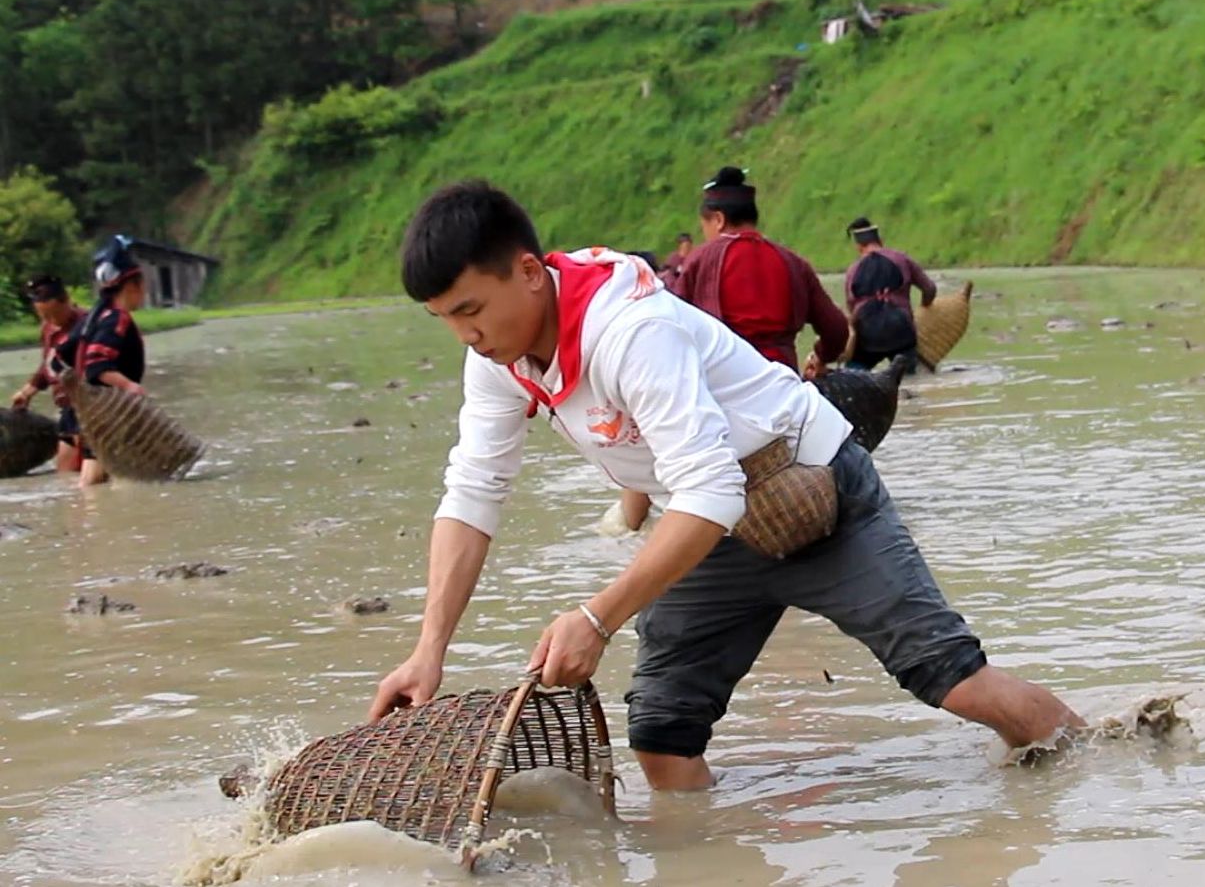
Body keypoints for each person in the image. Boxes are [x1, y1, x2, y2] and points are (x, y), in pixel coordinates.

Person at [369, 180, 1085, 792]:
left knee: (954, 681)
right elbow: (472, 491)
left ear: (528, 272)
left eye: (469, 310)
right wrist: (429, 649)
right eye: (444, 321)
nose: (464, 334)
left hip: (813, 491)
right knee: (661, 738)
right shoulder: (497, 360)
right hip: (710, 531)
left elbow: (709, 490)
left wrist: (595, 619)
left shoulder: (630, 331)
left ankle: (1103, 764)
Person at [670, 167, 849, 374]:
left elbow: (671, 326)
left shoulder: (700, 260)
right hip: (783, 382)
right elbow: (837, 330)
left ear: (718, 220)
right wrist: (821, 356)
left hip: (725, 385)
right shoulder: (792, 262)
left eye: (704, 226)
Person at [54, 236, 148, 488]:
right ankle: (88, 525)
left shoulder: (92, 318)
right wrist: (129, 387)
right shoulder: (117, 319)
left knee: (85, 480)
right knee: (93, 484)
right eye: (143, 285)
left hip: (82, 411)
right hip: (103, 414)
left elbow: (59, 356)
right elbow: (97, 365)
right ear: (132, 286)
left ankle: (76, 521)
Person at [9, 275, 87, 472]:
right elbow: (49, 366)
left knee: (89, 473)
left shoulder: (88, 326)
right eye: (44, 317)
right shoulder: (48, 329)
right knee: (66, 473)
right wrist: (27, 392)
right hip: (68, 410)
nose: (50, 322)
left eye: (54, 316)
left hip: (90, 409)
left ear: (66, 301)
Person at [842, 217, 937, 372]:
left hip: (867, 334)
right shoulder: (902, 259)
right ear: (880, 240)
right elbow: (929, 289)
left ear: (859, 246)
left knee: (854, 373)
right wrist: (925, 307)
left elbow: (851, 307)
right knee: (908, 375)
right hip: (901, 331)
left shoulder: (853, 270)